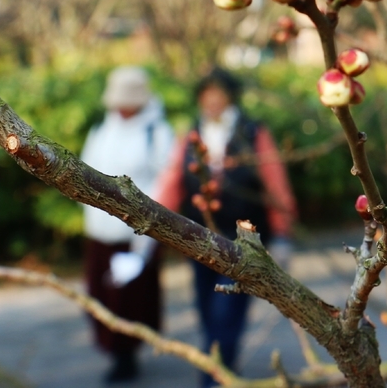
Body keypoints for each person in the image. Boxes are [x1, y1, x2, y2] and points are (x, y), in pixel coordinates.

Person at [157, 68, 297, 386]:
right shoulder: (192, 134)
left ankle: (216, 375)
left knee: (227, 310)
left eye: (218, 95)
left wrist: (282, 233)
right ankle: (219, 365)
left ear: (231, 97)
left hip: (241, 242)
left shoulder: (252, 132)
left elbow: (275, 183)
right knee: (206, 308)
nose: (212, 102)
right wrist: (152, 221)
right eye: (207, 95)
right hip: (198, 238)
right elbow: (172, 179)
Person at [80, 66, 174, 384]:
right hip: (100, 232)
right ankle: (112, 350)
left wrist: (149, 231)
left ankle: (126, 355)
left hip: (135, 234)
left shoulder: (156, 132)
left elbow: (165, 182)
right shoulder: (101, 130)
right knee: (100, 295)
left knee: (131, 299)